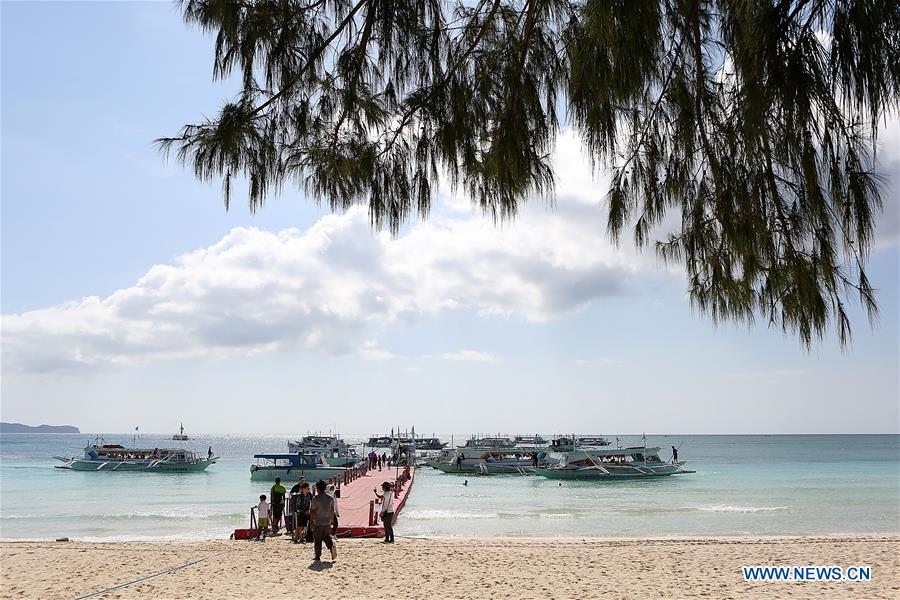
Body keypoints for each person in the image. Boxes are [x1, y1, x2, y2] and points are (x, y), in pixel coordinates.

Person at [309, 480, 337, 562]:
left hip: (318, 521)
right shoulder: (330, 498)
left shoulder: (315, 498)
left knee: (318, 539)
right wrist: (331, 520)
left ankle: (317, 556)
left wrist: (312, 520)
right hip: (327, 521)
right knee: (326, 536)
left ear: (318, 489)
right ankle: (331, 546)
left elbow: (313, 511)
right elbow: (332, 511)